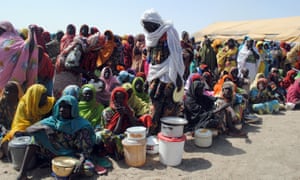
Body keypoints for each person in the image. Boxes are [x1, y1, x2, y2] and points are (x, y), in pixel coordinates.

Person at [17, 95, 96, 179]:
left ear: (73, 109)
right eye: (60, 106)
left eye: (66, 107)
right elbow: (28, 129)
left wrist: (81, 161)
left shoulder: (81, 125)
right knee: (35, 138)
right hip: (52, 153)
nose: (62, 110)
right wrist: (44, 127)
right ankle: (22, 173)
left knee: (87, 169)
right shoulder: (53, 120)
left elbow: (85, 150)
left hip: (72, 156)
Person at [140, 9, 185, 134]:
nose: (146, 28)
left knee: (169, 107)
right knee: (154, 105)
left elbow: (176, 57)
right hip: (155, 76)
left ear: (154, 23)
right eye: (144, 26)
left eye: (148, 25)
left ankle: (167, 134)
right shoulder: (150, 36)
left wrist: (178, 78)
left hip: (169, 76)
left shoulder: (170, 32)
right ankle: (153, 133)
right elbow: (151, 61)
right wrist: (147, 79)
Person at [1, 84, 55, 156]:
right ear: (35, 97)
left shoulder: (50, 104)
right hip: (29, 130)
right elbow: (20, 124)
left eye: (45, 95)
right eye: (42, 96)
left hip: (44, 131)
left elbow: (52, 121)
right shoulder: (24, 105)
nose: (46, 99)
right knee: (17, 135)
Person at [0, 21, 39, 91]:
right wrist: (31, 32)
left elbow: (28, 47)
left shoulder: (15, 42)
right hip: (13, 88)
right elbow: (29, 47)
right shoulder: (17, 42)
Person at [0, 81, 23, 158]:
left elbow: (23, 122)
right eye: (6, 90)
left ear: (17, 93)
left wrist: (13, 130)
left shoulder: (22, 104)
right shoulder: (2, 102)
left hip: (17, 130)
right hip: (3, 129)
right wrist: (4, 129)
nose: (7, 93)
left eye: (11, 91)